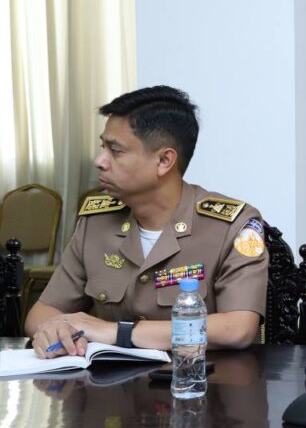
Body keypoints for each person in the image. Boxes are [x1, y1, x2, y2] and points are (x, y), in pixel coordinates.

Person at [25, 86, 268, 357]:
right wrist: (56, 330)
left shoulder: (233, 226)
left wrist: (117, 332)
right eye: (103, 147)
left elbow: (238, 328)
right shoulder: (96, 223)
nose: (100, 161)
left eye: (115, 151)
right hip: (111, 381)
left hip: (201, 378)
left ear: (164, 160)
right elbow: (41, 313)